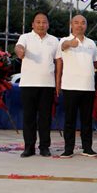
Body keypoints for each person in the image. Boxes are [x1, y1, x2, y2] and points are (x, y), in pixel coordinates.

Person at [14, 12, 59, 158]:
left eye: (44, 22)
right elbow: (18, 47)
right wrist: (20, 51)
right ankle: (29, 147)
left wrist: (58, 83)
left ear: (48, 25)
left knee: (45, 118)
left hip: (47, 84)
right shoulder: (25, 37)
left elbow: (58, 62)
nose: (41, 25)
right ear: (33, 24)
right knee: (29, 117)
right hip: (28, 84)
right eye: (38, 22)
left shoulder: (54, 41)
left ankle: (44, 147)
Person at [55, 15, 97, 158]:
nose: (80, 25)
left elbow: (95, 62)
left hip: (88, 87)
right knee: (70, 120)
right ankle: (68, 149)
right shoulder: (64, 40)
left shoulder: (91, 43)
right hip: (70, 86)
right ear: (71, 24)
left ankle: (87, 148)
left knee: (87, 120)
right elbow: (63, 48)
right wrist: (70, 43)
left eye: (83, 23)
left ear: (86, 25)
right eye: (76, 23)